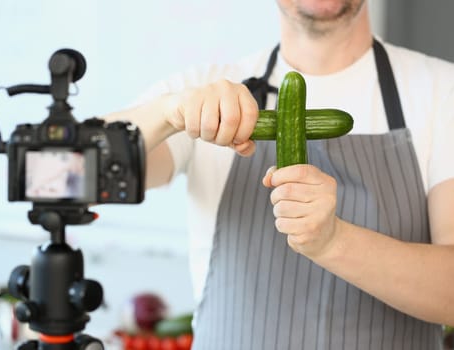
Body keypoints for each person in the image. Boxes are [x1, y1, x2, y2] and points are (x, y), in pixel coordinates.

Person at [104, 0, 454, 348]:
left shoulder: (443, 91)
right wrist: (168, 113)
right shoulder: (203, 87)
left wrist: (333, 241)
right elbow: (76, 177)